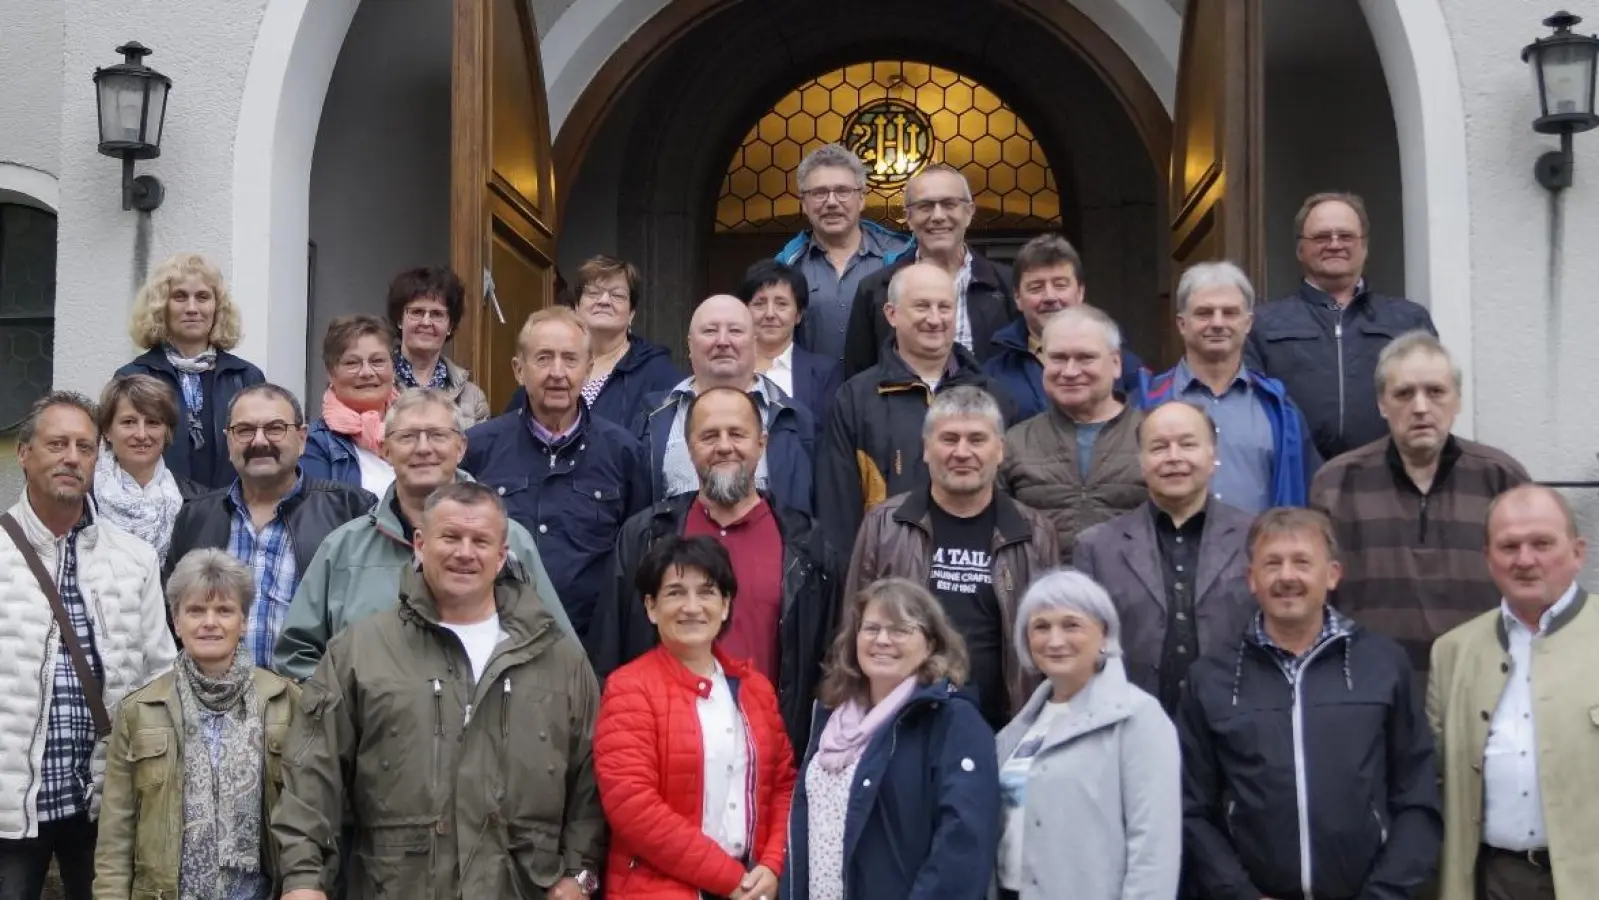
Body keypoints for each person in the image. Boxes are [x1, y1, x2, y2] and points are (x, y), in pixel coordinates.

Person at [272, 482, 605, 899]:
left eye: (480, 540)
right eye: (450, 537)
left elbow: (591, 782)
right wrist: (303, 881)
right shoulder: (360, 651)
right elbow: (312, 774)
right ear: (420, 544)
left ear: (502, 555)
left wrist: (580, 875)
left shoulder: (558, 659)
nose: (465, 553)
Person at [1179, 507, 1441, 900]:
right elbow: (1192, 808)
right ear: (1252, 579)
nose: (1287, 576)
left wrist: (1383, 894)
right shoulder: (1211, 678)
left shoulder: (1383, 665)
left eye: (1302, 562)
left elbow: (1417, 797)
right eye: (1272, 563)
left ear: (1332, 574)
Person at [590, 387, 841, 753]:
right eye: (709, 436)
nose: (724, 446)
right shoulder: (646, 537)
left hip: (773, 760)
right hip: (667, 753)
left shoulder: (808, 547)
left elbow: (830, 671)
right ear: (690, 449)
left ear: (762, 443)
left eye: (737, 434)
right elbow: (608, 653)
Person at [0, 393, 177, 900]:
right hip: (11, 806)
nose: (71, 457)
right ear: (24, 454)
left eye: (84, 447)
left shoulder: (135, 557)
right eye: (57, 444)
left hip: (103, 802)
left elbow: (158, 674)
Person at [276, 388, 572, 680]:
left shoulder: (509, 540)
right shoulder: (344, 548)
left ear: (461, 447)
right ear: (385, 450)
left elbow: (561, 653)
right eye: (407, 437)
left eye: (437, 435)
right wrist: (351, 706)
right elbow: (296, 655)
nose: (423, 448)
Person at [1313, 331, 1530, 674]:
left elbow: (1534, 585)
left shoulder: (1501, 478)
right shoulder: (1337, 483)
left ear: (1457, 400)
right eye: (1403, 393)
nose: (1420, 407)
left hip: (1480, 682)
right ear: (1382, 404)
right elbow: (1317, 596)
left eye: (1435, 392)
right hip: (1370, 686)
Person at [592, 535, 795, 900]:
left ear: (726, 604)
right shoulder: (629, 688)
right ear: (651, 607)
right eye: (674, 593)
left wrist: (772, 863)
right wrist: (731, 879)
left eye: (706, 592)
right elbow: (633, 807)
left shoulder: (756, 689)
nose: (691, 606)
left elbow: (783, 786)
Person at [844, 386, 1058, 729]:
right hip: (903, 723)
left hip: (1004, 728)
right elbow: (853, 630)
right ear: (926, 448)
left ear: (1000, 449)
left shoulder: (1035, 533)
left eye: (976, 439)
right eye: (949, 439)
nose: (962, 452)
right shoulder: (884, 525)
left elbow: (1050, 642)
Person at [94, 549, 299, 900]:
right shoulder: (140, 711)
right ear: (176, 621)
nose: (209, 622)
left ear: (244, 621)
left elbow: (305, 817)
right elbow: (116, 835)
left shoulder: (284, 702)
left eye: (224, 610)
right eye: (195, 610)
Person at [1428, 485, 1597, 900]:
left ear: (1577, 552)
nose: (1525, 560)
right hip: (1491, 880)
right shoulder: (1453, 651)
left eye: (1542, 543)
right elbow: (1432, 779)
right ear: (1488, 558)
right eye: (1509, 546)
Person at [785, 578, 999, 900]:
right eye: (871, 629)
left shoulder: (953, 720)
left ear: (930, 644)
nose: (882, 640)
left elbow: (963, 844)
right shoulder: (830, 717)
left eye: (900, 630)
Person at [463, 308, 649, 641]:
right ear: (519, 370)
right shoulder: (478, 448)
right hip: (497, 639)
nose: (557, 372)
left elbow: (638, 560)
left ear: (589, 370)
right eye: (544, 358)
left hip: (589, 646)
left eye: (570, 359)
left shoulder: (623, 452)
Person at [995, 569, 1180, 900]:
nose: (1054, 640)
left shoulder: (1137, 717)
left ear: (1104, 633)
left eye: (1071, 625)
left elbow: (1154, 849)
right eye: (1041, 627)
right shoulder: (1017, 729)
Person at [165, 384, 373, 669]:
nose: (259, 441)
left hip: (311, 701)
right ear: (229, 442)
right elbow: (173, 612)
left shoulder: (349, 511)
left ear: (301, 439)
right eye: (245, 430)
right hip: (214, 702)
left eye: (275, 428)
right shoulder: (196, 516)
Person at [1074, 401, 1255, 713]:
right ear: (1141, 462)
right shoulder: (1096, 547)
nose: (1174, 458)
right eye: (1159, 447)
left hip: (1236, 724)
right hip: (1129, 723)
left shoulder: (1255, 538)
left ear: (1213, 456)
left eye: (1188, 444)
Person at [817, 263, 1016, 546]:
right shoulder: (855, 399)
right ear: (891, 314)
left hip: (975, 570)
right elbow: (838, 513)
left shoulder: (992, 396)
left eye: (944, 307)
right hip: (889, 573)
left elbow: (1010, 495)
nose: (935, 319)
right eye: (922, 307)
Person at [1246, 192, 1438, 460]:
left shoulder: (1408, 320)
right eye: (1322, 237)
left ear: (1364, 247)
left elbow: (1434, 398)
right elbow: (1248, 411)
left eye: (1346, 236)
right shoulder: (1262, 324)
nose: (1335, 244)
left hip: (1387, 479)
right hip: (1295, 478)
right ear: (1300, 249)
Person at [1138, 260, 1322, 512]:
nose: (1217, 323)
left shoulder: (1279, 410)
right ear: (1182, 324)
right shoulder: (1148, 400)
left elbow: (1309, 495)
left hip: (1258, 550)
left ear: (1247, 324)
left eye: (1230, 313)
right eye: (1204, 313)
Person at [636, 294, 816, 516]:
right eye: (710, 331)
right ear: (690, 345)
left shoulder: (794, 417)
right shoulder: (651, 416)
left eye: (736, 331)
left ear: (754, 344)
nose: (723, 341)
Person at [1000, 305, 1146, 563]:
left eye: (1085, 358)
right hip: (1042, 596)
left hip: (1131, 598)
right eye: (1057, 358)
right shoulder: (1014, 443)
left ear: (1116, 364)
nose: (1069, 371)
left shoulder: (1152, 438)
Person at [844, 164, 1018, 376]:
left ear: (969, 212)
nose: (937, 216)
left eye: (949, 204)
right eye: (925, 206)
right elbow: (858, 377)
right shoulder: (876, 290)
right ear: (908, 218)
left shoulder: (1007, 285)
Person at [117, 252, 266, 489]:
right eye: (179, 297)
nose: (192, 308)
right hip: (158, 515)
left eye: (203, 297)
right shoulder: (134, 377)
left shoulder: (246, 377)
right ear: (161, 306)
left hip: (230, 513)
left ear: (218, 307)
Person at [502, 255, 683, 426]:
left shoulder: (657, 371)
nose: (604, 301)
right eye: (594, 293)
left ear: (632, 314)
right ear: (577, 307)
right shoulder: (548, 363)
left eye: (617, 295)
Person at [982, 234, 1145, 421]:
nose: (1050, 297)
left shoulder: (1125, 366)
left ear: (1080, 292)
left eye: (1060, 285)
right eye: (1036, 288)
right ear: (1018, 298)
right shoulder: (993, 375)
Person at [775, 142, 910, 361]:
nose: (831, 202)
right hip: (810, 394)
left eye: (843, 191)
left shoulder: (902, 260)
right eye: (819, 193)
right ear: (804, 204)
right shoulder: (786, 267)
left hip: (883, 392)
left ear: (862, 199)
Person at [92, 374, 208, 567]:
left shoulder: (197, 502)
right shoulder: (82, 497)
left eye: (153, 422)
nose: (141, 434)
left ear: (167, 432)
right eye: (128, 422)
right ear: (107, 430)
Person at [736, 259, 846, 425]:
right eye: (759, 304)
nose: (770, 314)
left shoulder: (826, 374)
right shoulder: (729, 368)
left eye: (781, 304)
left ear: (798, 315)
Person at [302, 315, 400, 495]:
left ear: (393, 369)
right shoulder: (315, 444)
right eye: (352, 363)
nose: (366, 372)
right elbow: (322, 517)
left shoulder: (419, 430)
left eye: (377, 361)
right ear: (331, 373)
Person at [385, 266, 490, 425]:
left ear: (450, 326)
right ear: (400, 320)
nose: (426, 322)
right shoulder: (375, 381)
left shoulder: (473, 397)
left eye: (437, 314)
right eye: (417, 312)